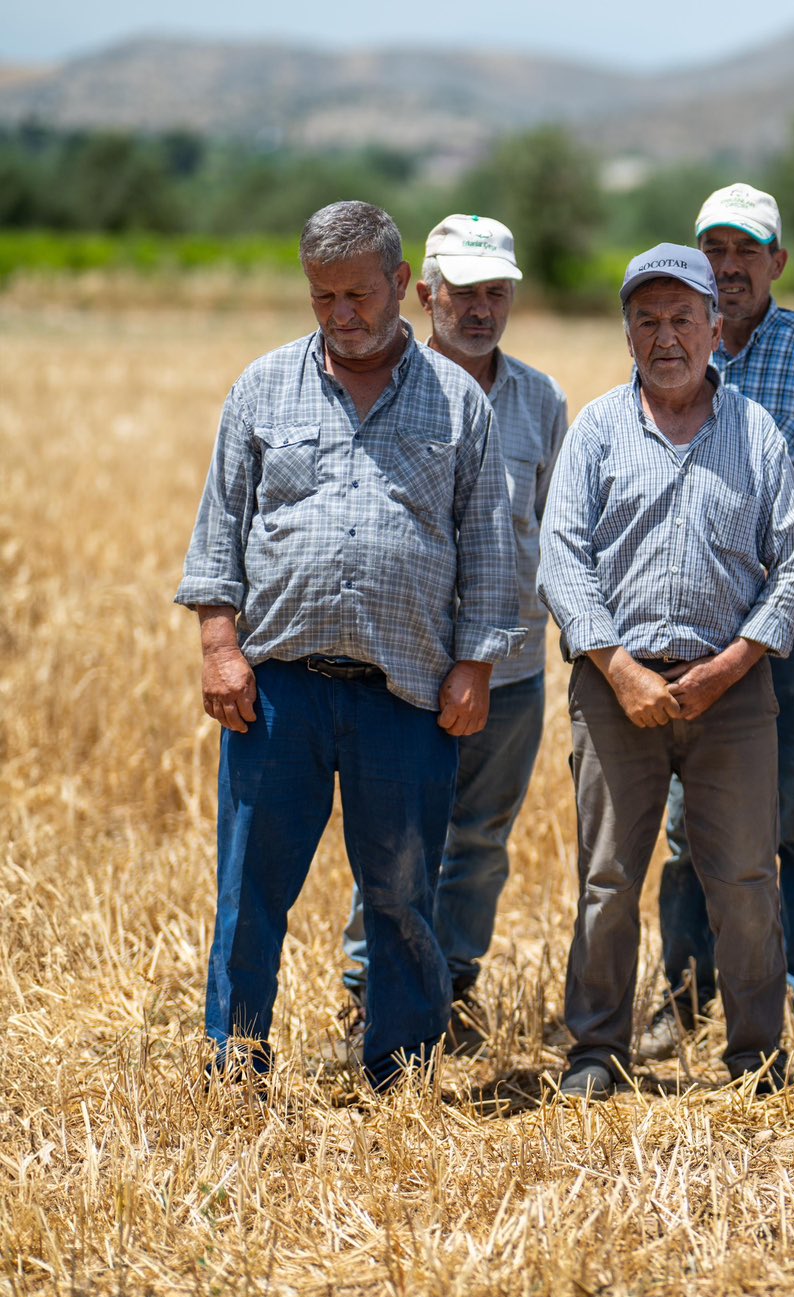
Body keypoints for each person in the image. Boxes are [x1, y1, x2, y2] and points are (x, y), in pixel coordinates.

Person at [174, 199, 518, 1091]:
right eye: (323, 296)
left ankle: (398, 1070)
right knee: (252, 889)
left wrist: (474, 665)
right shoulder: (261, 388)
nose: (342, 314)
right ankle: (233, 1062)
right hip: (278, 689)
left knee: (402, 894)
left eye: (359, 294)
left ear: (402, 285)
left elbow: (487, 544)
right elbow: (221, 532)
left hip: (404, 692)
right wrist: (220, 646)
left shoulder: (457, 405)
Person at [538, 244, 794, 1101]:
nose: (666, 338)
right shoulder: (596, 430)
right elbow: (561, 557)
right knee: (609, 879)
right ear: (627, 333)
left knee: (743, 880)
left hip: (732, 695)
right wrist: (619, 669)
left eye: (683, 319)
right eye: (647, 321)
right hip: (615, 692)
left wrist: (730, 666)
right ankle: (597, 1052)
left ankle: (756, 1058)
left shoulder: (756, 432)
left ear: (715, 327)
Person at [334, 213, 568, 1057]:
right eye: (462, 293)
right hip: (407, 669)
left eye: (495, 293)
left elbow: (555, 530)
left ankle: (453, 990)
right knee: (394, 843)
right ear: (423, 293)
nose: (479, 308)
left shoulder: (542, 400)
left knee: (478, 843)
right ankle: (369, 995)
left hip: (511, 668)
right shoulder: (383, 385)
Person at [650, 184, 794, 1074]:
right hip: (684, 629)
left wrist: (755, 626)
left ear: (779, 262)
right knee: (681, 825)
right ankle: (684, 997)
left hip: (792, 629)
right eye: (715, 249)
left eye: (748, 250)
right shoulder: (676, 351)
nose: (730, 267)